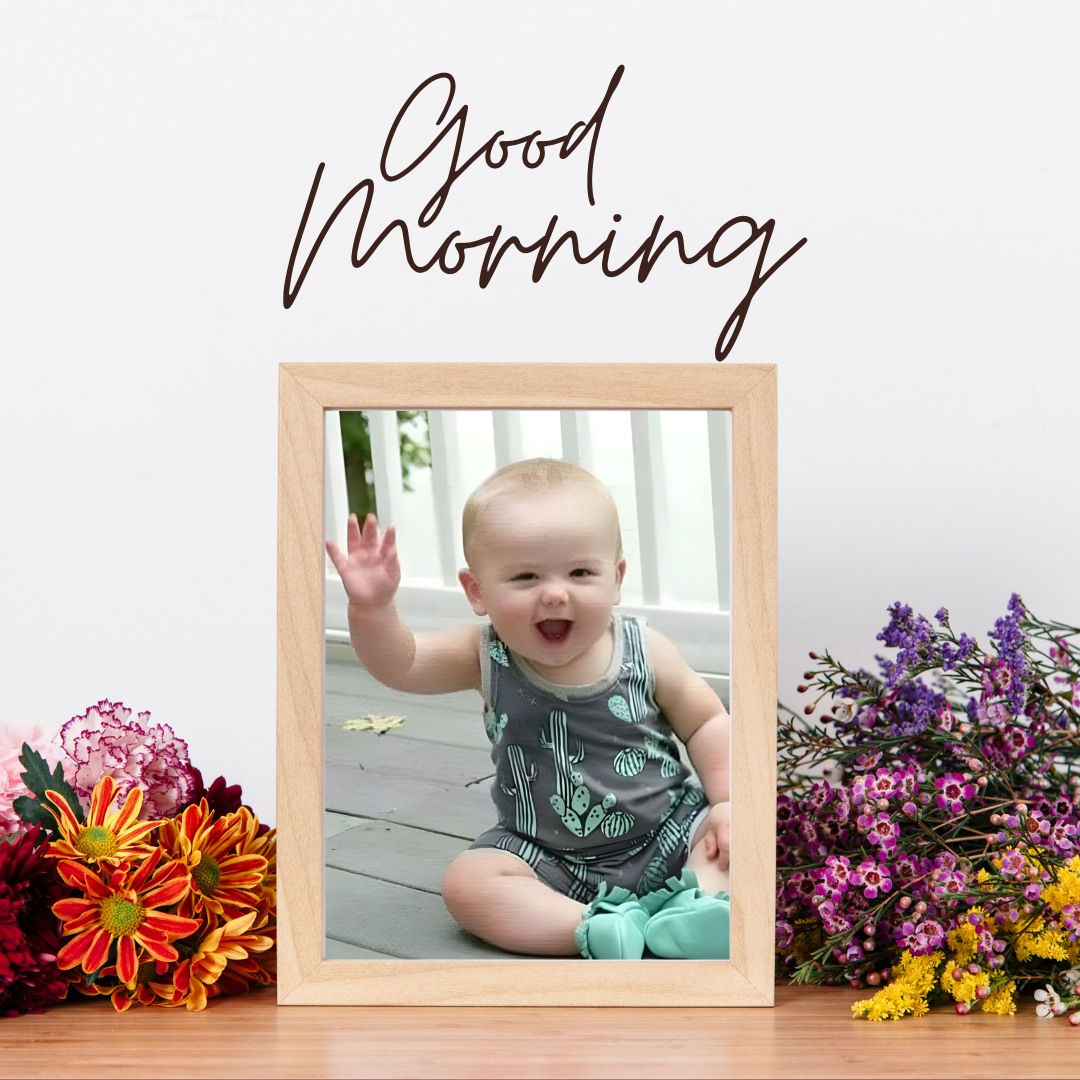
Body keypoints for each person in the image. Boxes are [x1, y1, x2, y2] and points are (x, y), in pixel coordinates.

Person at [326, 457, 731, 959]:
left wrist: (730, 804)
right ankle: (596, 929)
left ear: (617, 578)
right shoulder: (484, 654)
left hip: (669, 833)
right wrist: (372, 609)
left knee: (736, 843)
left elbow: (709, 722)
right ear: (477, 591)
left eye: (581, 571)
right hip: (545, 855)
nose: (556, 593)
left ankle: (697, 911)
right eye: (524, 577)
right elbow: (402, 664)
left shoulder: (647, 652)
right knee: (468, 883)